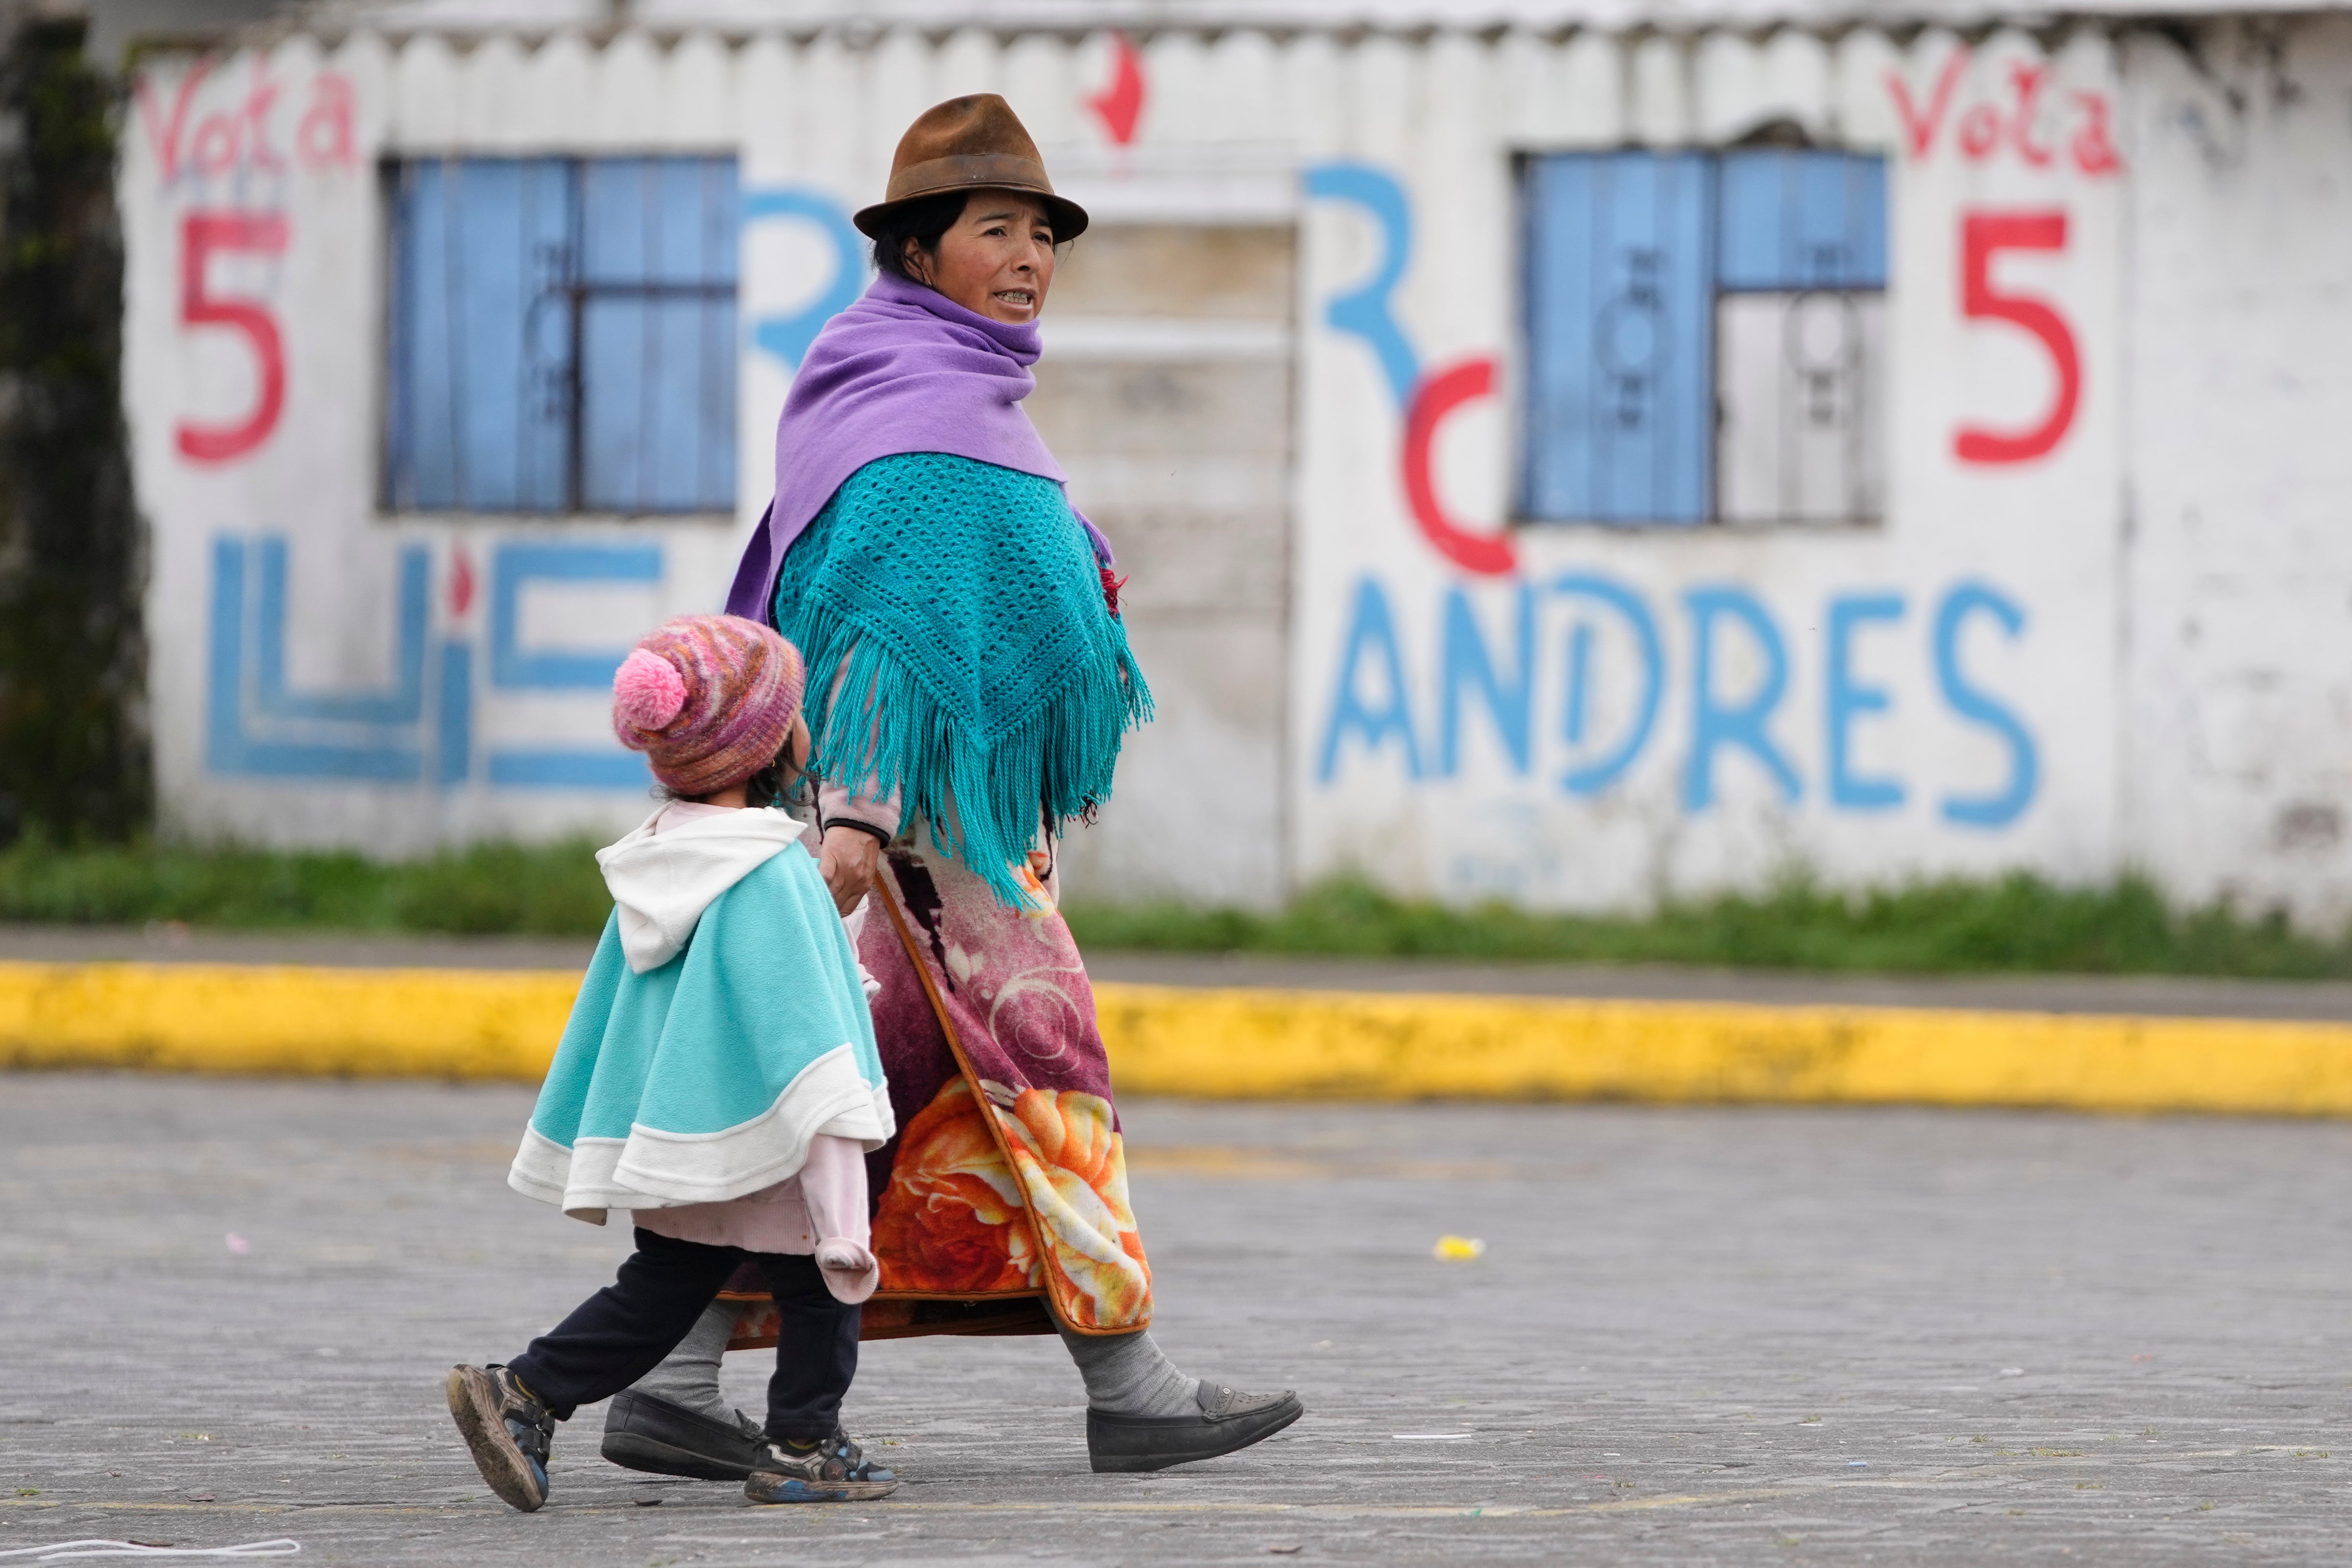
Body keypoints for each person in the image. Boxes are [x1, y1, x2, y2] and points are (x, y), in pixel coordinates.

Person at [599, 94, 1303, 1482]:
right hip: (915, 840)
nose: (1029, 258)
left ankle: (671, 1379)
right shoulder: (915, 415)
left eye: (1042, 233)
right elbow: (878, 625)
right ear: (918, 251)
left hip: (932, 830)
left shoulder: (935, 385)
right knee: (1044, 1073)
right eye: (995, 230)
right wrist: (860, 812)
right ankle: (1130, 1385)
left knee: (850, 1105)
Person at [445, 614, 901, 1511]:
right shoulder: (772, 870)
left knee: (664, 1283)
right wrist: (840, 1165)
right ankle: (804, 1447)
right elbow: (805, 1033)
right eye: (795, 711)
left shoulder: (661, 858)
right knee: (822, 1283)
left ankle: (526, 1392)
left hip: (681, 1128)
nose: (808, 727)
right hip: (776, 1133)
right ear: (763, 744)